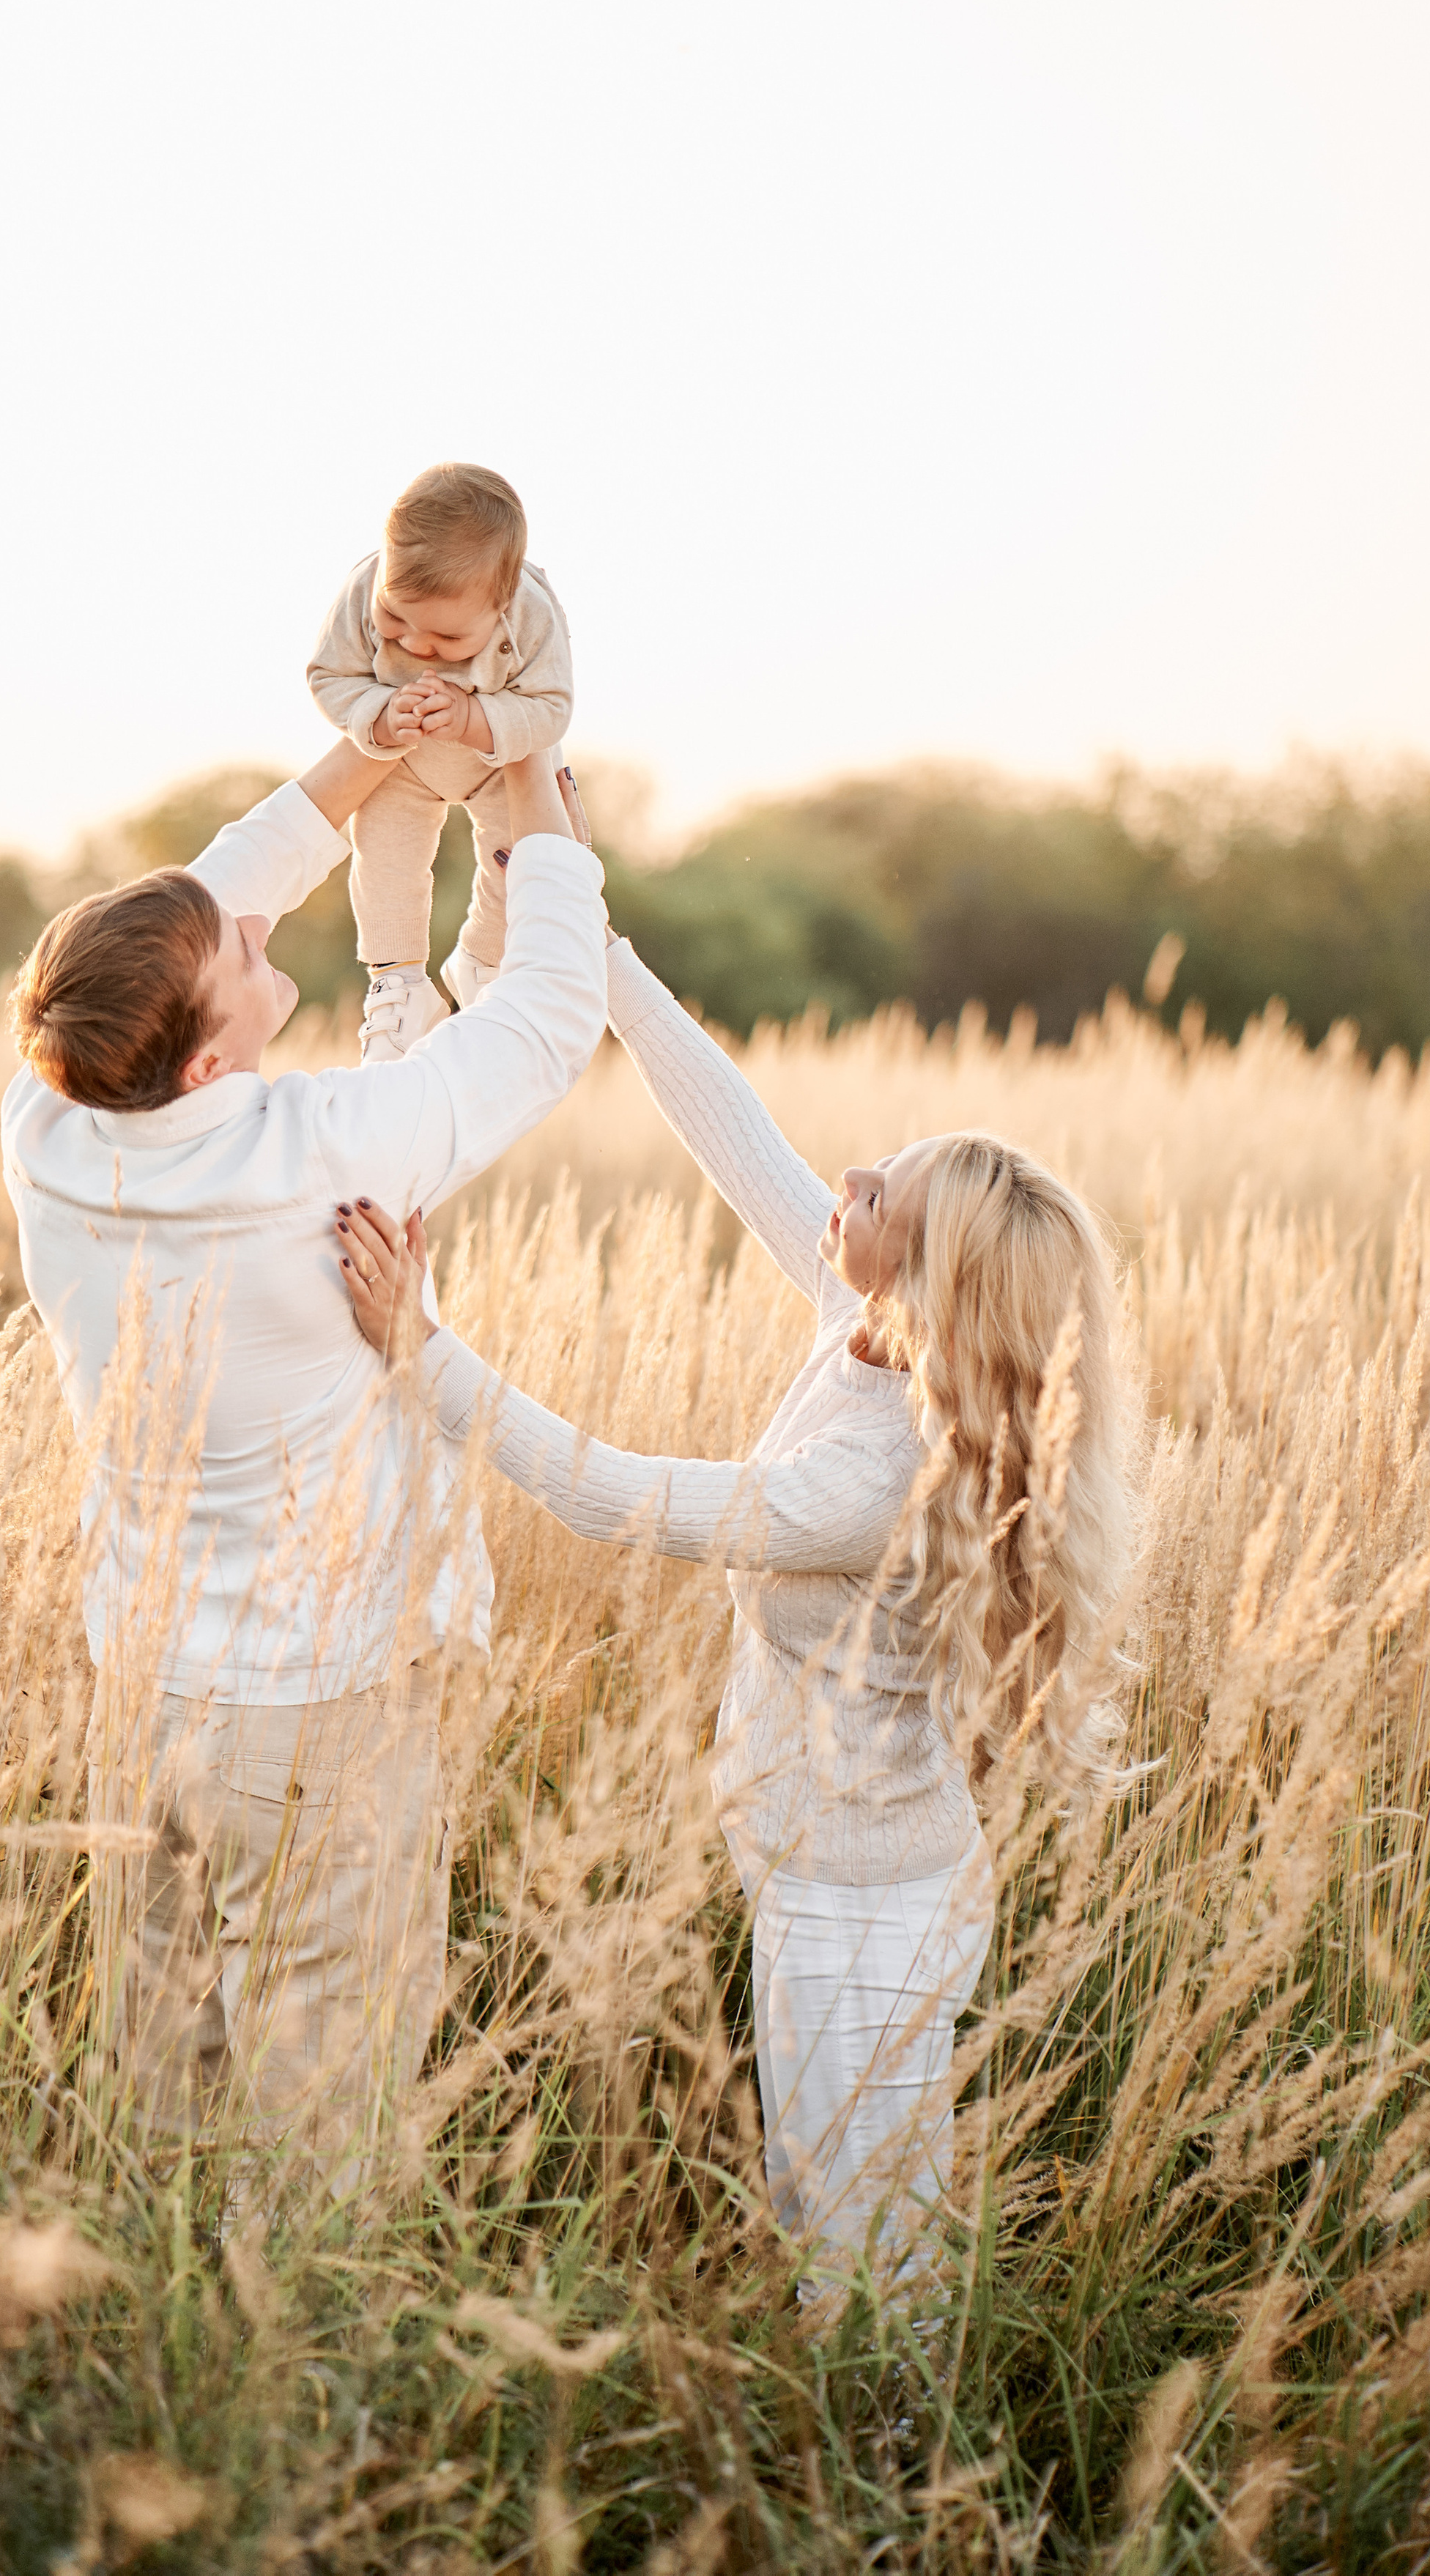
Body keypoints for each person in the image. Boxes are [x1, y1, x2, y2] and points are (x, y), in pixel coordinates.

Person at [330, 928, 1136, 2287]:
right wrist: (588, 938)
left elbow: (623, 1499)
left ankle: (895, 2487)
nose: (854, 1178)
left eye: (890, 1193)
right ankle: (881, 2464)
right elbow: (728, 1120)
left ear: (926, 1272)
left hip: (860, 1904)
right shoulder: (873, 1331)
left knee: (863, 2247)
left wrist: (425, 1349)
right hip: (827, 1871)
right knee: (843, 2209)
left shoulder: (878, 1478)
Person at [1, 736, 605, 2186]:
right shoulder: (321, 1145)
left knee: (159, 2047)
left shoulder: (49, 1121)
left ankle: (148, 2331)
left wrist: (364, 760)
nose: (256, 930)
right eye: (240, 961)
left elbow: (187, 918)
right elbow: (546, 1015)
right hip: (313, 1701)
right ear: (210, 1060)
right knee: (320, 2070)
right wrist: (528, 788)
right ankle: (291, 2379)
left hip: (141, 1677)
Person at [308, 462, 574, 1061]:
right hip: (399, 760)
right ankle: (399, 982)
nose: (417, 646)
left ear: (501, 606)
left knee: (519, 858)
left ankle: (484, 959)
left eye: (449, 640)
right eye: (395, 621)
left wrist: (474, 720)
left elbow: (552, 708)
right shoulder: (363, 590)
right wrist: (377, 714)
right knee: (385, 864)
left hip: (495, 760)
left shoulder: (532, 614)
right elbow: (329, 676)